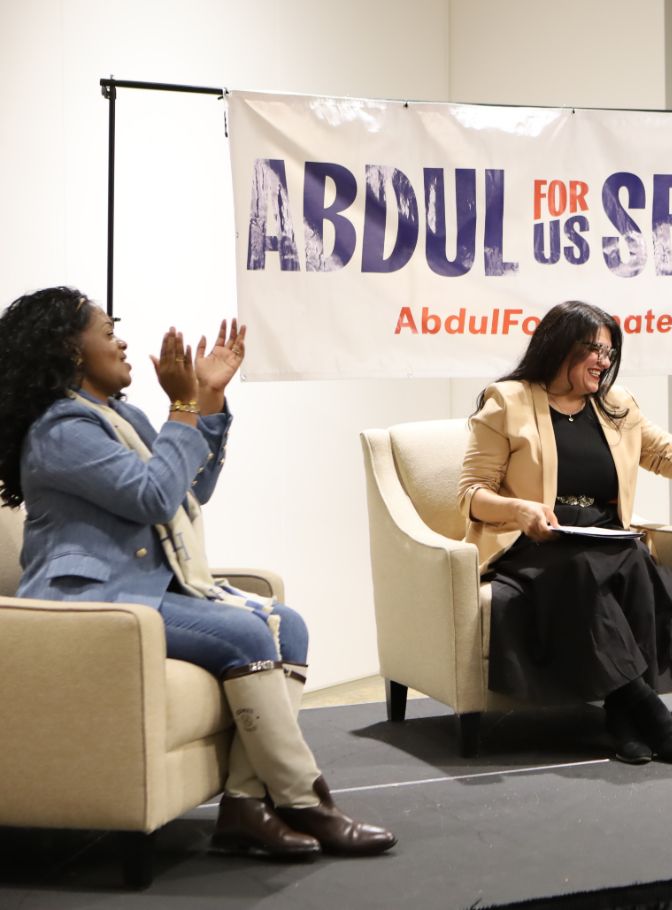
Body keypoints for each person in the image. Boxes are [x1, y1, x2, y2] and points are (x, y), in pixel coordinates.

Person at [0, 287, 397, 860]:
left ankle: (243, 806)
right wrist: (182, 409)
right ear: (70, 348)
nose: (123, 341)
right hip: (90, 601)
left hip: (142, 589)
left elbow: (190, 488)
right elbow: (154, 496)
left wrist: (207, 399)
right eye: (108, 333)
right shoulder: (60, 430)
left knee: (290, 624)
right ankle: (307, 801)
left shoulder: (120, 416)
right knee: (249, 633)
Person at [459, 300, 672, 764]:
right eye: (594, 351)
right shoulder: (507, 401)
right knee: (586, 566)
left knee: (636, 564)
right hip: (535, 543)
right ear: (559, 345)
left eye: (609, 353)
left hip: (606, 539)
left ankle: (622, 720)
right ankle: (646, 708)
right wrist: (519, 508)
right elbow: (471, 493)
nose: (604, 362)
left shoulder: (617, 406)